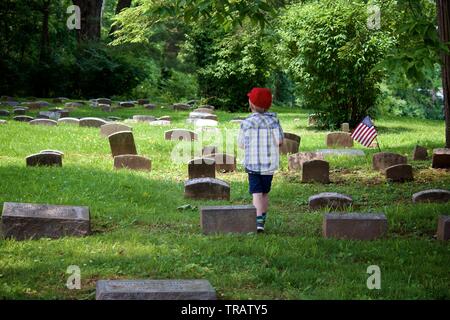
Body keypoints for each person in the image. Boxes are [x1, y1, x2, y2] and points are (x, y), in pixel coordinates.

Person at [238, 88, 284, 232]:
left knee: (256, 193)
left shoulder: (246, 123)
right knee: (264, 193)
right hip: (269, 165)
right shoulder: (274, 121)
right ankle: (262, 220)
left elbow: (241, 144)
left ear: (251, 104)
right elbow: (279, 141)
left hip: (253, 164)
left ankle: (257, 222)